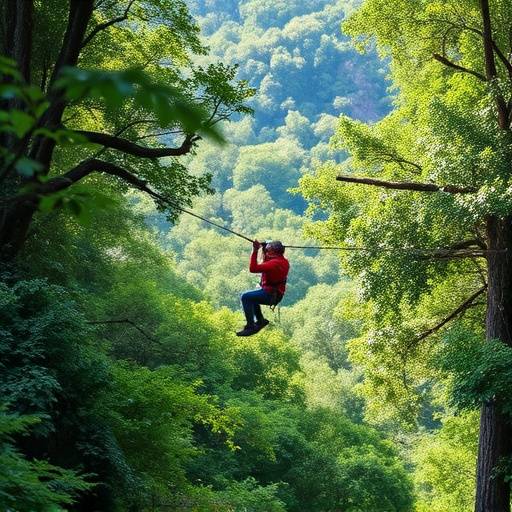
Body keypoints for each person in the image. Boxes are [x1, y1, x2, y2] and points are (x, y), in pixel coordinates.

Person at [236, 240, 290, 337]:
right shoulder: (282, 261)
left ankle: (251, 326)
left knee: (246, 297)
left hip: (270, 295)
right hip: (275, 294)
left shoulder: (274, 263)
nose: (267, 248)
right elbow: (268, 260)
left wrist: (255, 250)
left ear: (273, 251)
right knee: (253, 298)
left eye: (269, 247)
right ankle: (260, 320)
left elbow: (253, 269)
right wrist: (265, 249)